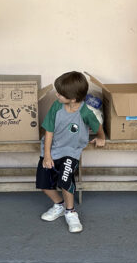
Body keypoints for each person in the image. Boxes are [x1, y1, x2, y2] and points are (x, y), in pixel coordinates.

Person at [36, 72, 105, 233]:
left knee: (65, 180)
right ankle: (59, 205)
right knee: (43, 184)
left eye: (60, 94)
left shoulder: (85, 112)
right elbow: (49, 131)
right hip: (52, 149)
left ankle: (70, 211)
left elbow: (97, 126)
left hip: (71, 151)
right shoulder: (56, 106)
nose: (57, 95)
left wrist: (101, 137)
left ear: (73, 99)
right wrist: (47, 155)